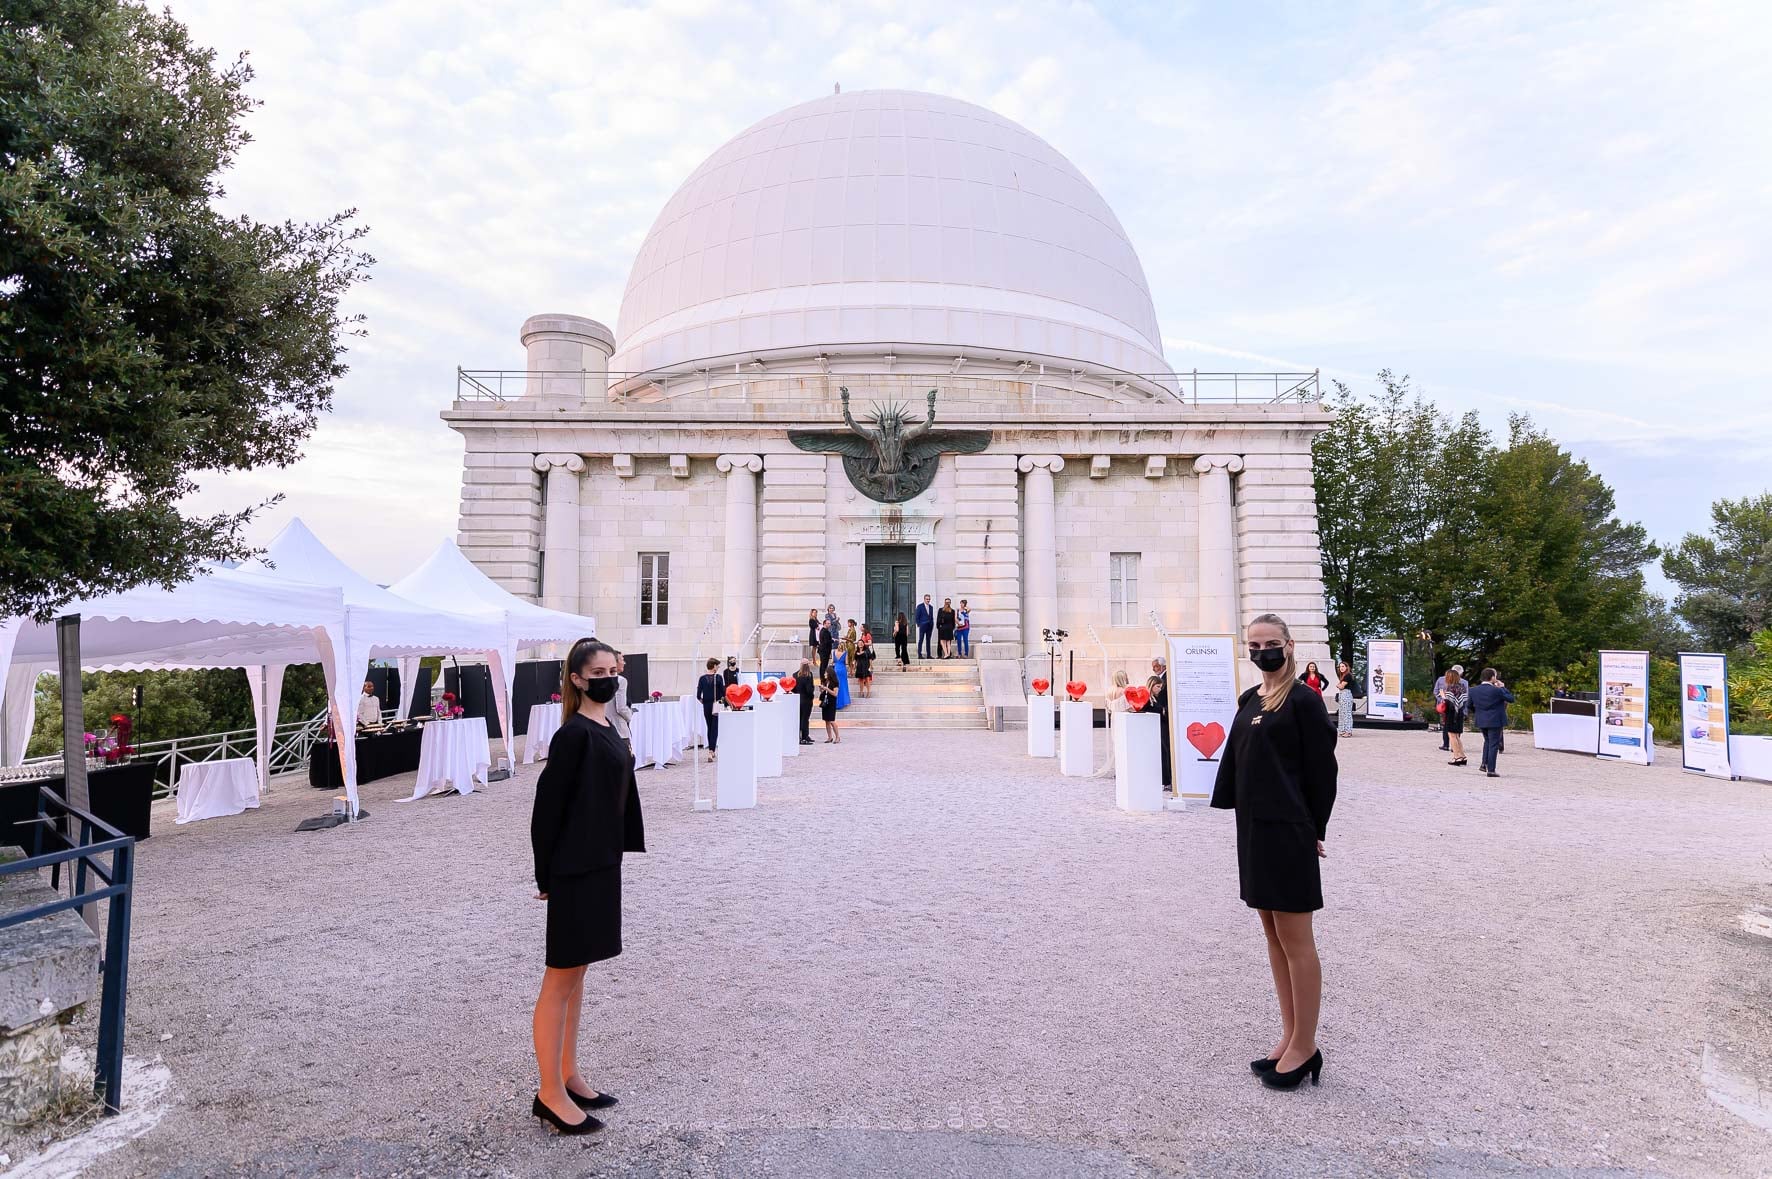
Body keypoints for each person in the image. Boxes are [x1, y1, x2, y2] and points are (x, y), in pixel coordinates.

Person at [1210, 613, 1337, 1092]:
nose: (1262, 651)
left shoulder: (1303, 700)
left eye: (1270, 643)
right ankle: (1289, 1035)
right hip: (1254, 830)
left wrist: (1315, 827)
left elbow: (1323, 771)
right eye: (1255, 644)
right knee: (1273, 935)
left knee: (1296, 939)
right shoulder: (1250, 699)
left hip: (1288, 830)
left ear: (1289, 644)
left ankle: (1306, 1044)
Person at [529, 638, 645, 1135]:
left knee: (577, 977)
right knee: (560, 980)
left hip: (601, 863)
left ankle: (568, 1074)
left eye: (611, 670)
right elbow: (546, 807)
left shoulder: (607, 725)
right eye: (597, 673)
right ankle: (548, 1093)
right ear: (576, 680)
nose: (607, 679)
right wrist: (545, 875)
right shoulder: (573, 734)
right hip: (575, 869)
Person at [1468, 667, 1515, 778]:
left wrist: (1479, 712)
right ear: (1492, 677)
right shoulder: (1497, 690)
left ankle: (1484, 763)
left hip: (1481, 719)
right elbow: (1511, 699)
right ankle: (1491, 769)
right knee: (1493, 744)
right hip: (1495, 720)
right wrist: (1503, 687)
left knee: (1487, 741)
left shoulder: (1473, 690)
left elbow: (1469, 705)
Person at [1096, 669, 1130, 777]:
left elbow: (1108, 707)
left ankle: (1118, 768)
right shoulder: (1125, 691)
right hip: (1124, 718)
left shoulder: (1109, 691)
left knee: (1117, 743)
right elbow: (1128, 707)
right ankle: (1124, 769)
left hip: (1114, 718)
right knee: (1125, 744)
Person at [1439, 667, 1470, 766]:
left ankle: (1457, 757)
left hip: (1451, 715)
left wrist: (1443, 696)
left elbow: (1450, 704)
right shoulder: (1462, 687)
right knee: (1457, 736)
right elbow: (1463, 701)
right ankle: (1462, 755)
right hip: (1460, 713)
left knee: (1452, 736)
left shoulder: (1449, 688)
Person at [694, 657, 722, 762]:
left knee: (709, 727)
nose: (718, 667)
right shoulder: (718, 678)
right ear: (714, 666)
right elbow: (723, 692)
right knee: (714, 728)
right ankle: (711, 751)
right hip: (716, 705)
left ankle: (711, 751)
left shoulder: (702, 678)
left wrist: (704, 702)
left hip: (706, 705)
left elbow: (698, 695)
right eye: (717, 666)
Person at [1149, 655, 1171, 789]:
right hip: (1161, 717)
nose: (1154, 669)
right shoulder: (1161, 678)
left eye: (1156, 666)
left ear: (1163, 666)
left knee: (1166, 749)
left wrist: (1164, 710)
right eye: (1153, 667)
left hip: (1165, 717)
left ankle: (1168, 779)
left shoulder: (1167, 678)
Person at [608, 651, 634, 746]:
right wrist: (630, 714)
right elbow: (621, 708)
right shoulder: (620, 681)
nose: (624, 663)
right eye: (622, 660)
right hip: (618, 729)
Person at [1333, 660, 1356, 738]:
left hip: (1346, 694)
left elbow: (1341, 686)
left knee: (1346, 713)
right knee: (1342, 713)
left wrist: (1338, 685)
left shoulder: (1347, 675)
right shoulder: (1343, 676)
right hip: (1343, 695)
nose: (1341, 668)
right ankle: (1343, 730)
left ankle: (1348, 731)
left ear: (1346, 667)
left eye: (1343, 666)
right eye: (1340, 667)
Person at [795, 658, 816, 745]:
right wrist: (812, 696)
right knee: (805, 719)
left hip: (798, 699)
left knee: (800, 718)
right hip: (806, 700)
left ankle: (801, 736)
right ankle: (804, 737)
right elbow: (809, 690)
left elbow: (793, 688)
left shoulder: (795, 675)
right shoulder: (809, 675)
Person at [819, 667, 841, 743]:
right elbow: (824, 692)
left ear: (829, 674)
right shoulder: (825, 682)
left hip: (831, 703)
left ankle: (837, 737)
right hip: (825, 702)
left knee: (832, 720)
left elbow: (835, 694)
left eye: (826, 673)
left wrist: (826, 689)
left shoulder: (835, 683)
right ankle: (829, 737)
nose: (824, 674)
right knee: (826, 721)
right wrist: (822, 689)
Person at [1431, 669, 1450, 751]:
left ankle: (1452, 745)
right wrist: (1440, 700)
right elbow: (1435, 691)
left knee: (1450, 725)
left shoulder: (1457, 682)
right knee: (1445, 724)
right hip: (1443, 706)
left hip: (1452, 706)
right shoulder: (1441, 679)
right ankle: (1446, 744)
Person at [915, 595, 934, 662]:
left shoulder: (931, 607)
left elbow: (931, 617)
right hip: (923, 625)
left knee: (928, 640)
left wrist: (932, 623)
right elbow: (917, 616)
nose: (928, 600)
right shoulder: (920, 606)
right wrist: (919, 624)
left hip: (929, 626)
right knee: (921, 640)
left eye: (929, 599)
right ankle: (919, 654)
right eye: (927, 599)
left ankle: (929, 655)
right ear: (924, 599)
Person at [856, 629, 875, 698]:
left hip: (866, 666)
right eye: (859, 643)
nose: (860, 644)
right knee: (861, 680)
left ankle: (868, 692)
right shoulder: (857, 651)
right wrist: (855, 666)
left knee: (867, 680)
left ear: (863, 644)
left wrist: (871, 666)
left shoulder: (866, 650)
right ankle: (861, 692)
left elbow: (870, 658)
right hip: (859, 667)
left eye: (861, 643)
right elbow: (855, 659)